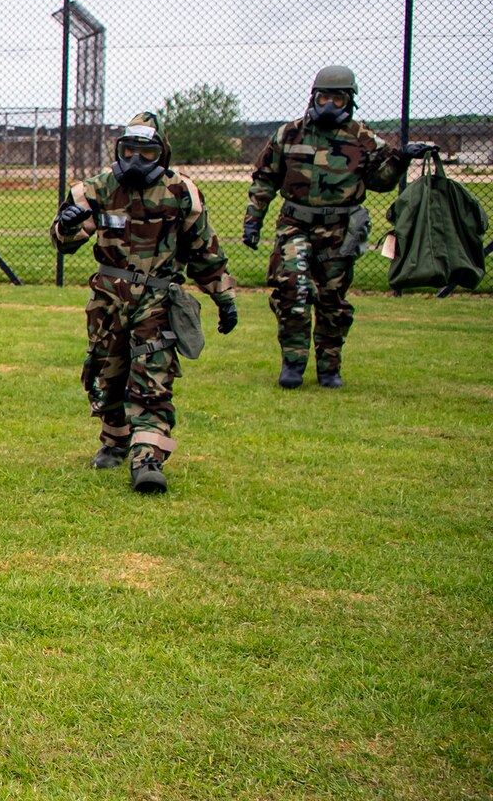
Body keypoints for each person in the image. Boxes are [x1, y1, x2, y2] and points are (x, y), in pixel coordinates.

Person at [51, 112, 238, 494]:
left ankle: (147, 458)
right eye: (129, 150)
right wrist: (66, 225)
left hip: (157, 297)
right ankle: (115, 441)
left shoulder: (181, 192)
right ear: (118, 150)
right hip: (108, 300)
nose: (136, 160)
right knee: (105, 375)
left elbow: (204, 250)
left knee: (153, 375)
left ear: (162, 154)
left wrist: (224, 297)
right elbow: (64, 243)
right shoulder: (96, 189)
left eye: (146, 153)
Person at [241, 65, 431, 388]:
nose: (329, 105)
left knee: (332, 300)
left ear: (350, 102)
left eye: (337, 100)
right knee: (292, 290)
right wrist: (252, 221)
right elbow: (265, 179)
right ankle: (293, 363)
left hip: (340, 230)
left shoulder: (362, 138)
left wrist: (401, 159)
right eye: (324, 97)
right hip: (294, 225)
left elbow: (379, 182)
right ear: (313, 97)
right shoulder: (289, 134)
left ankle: (329, 367)